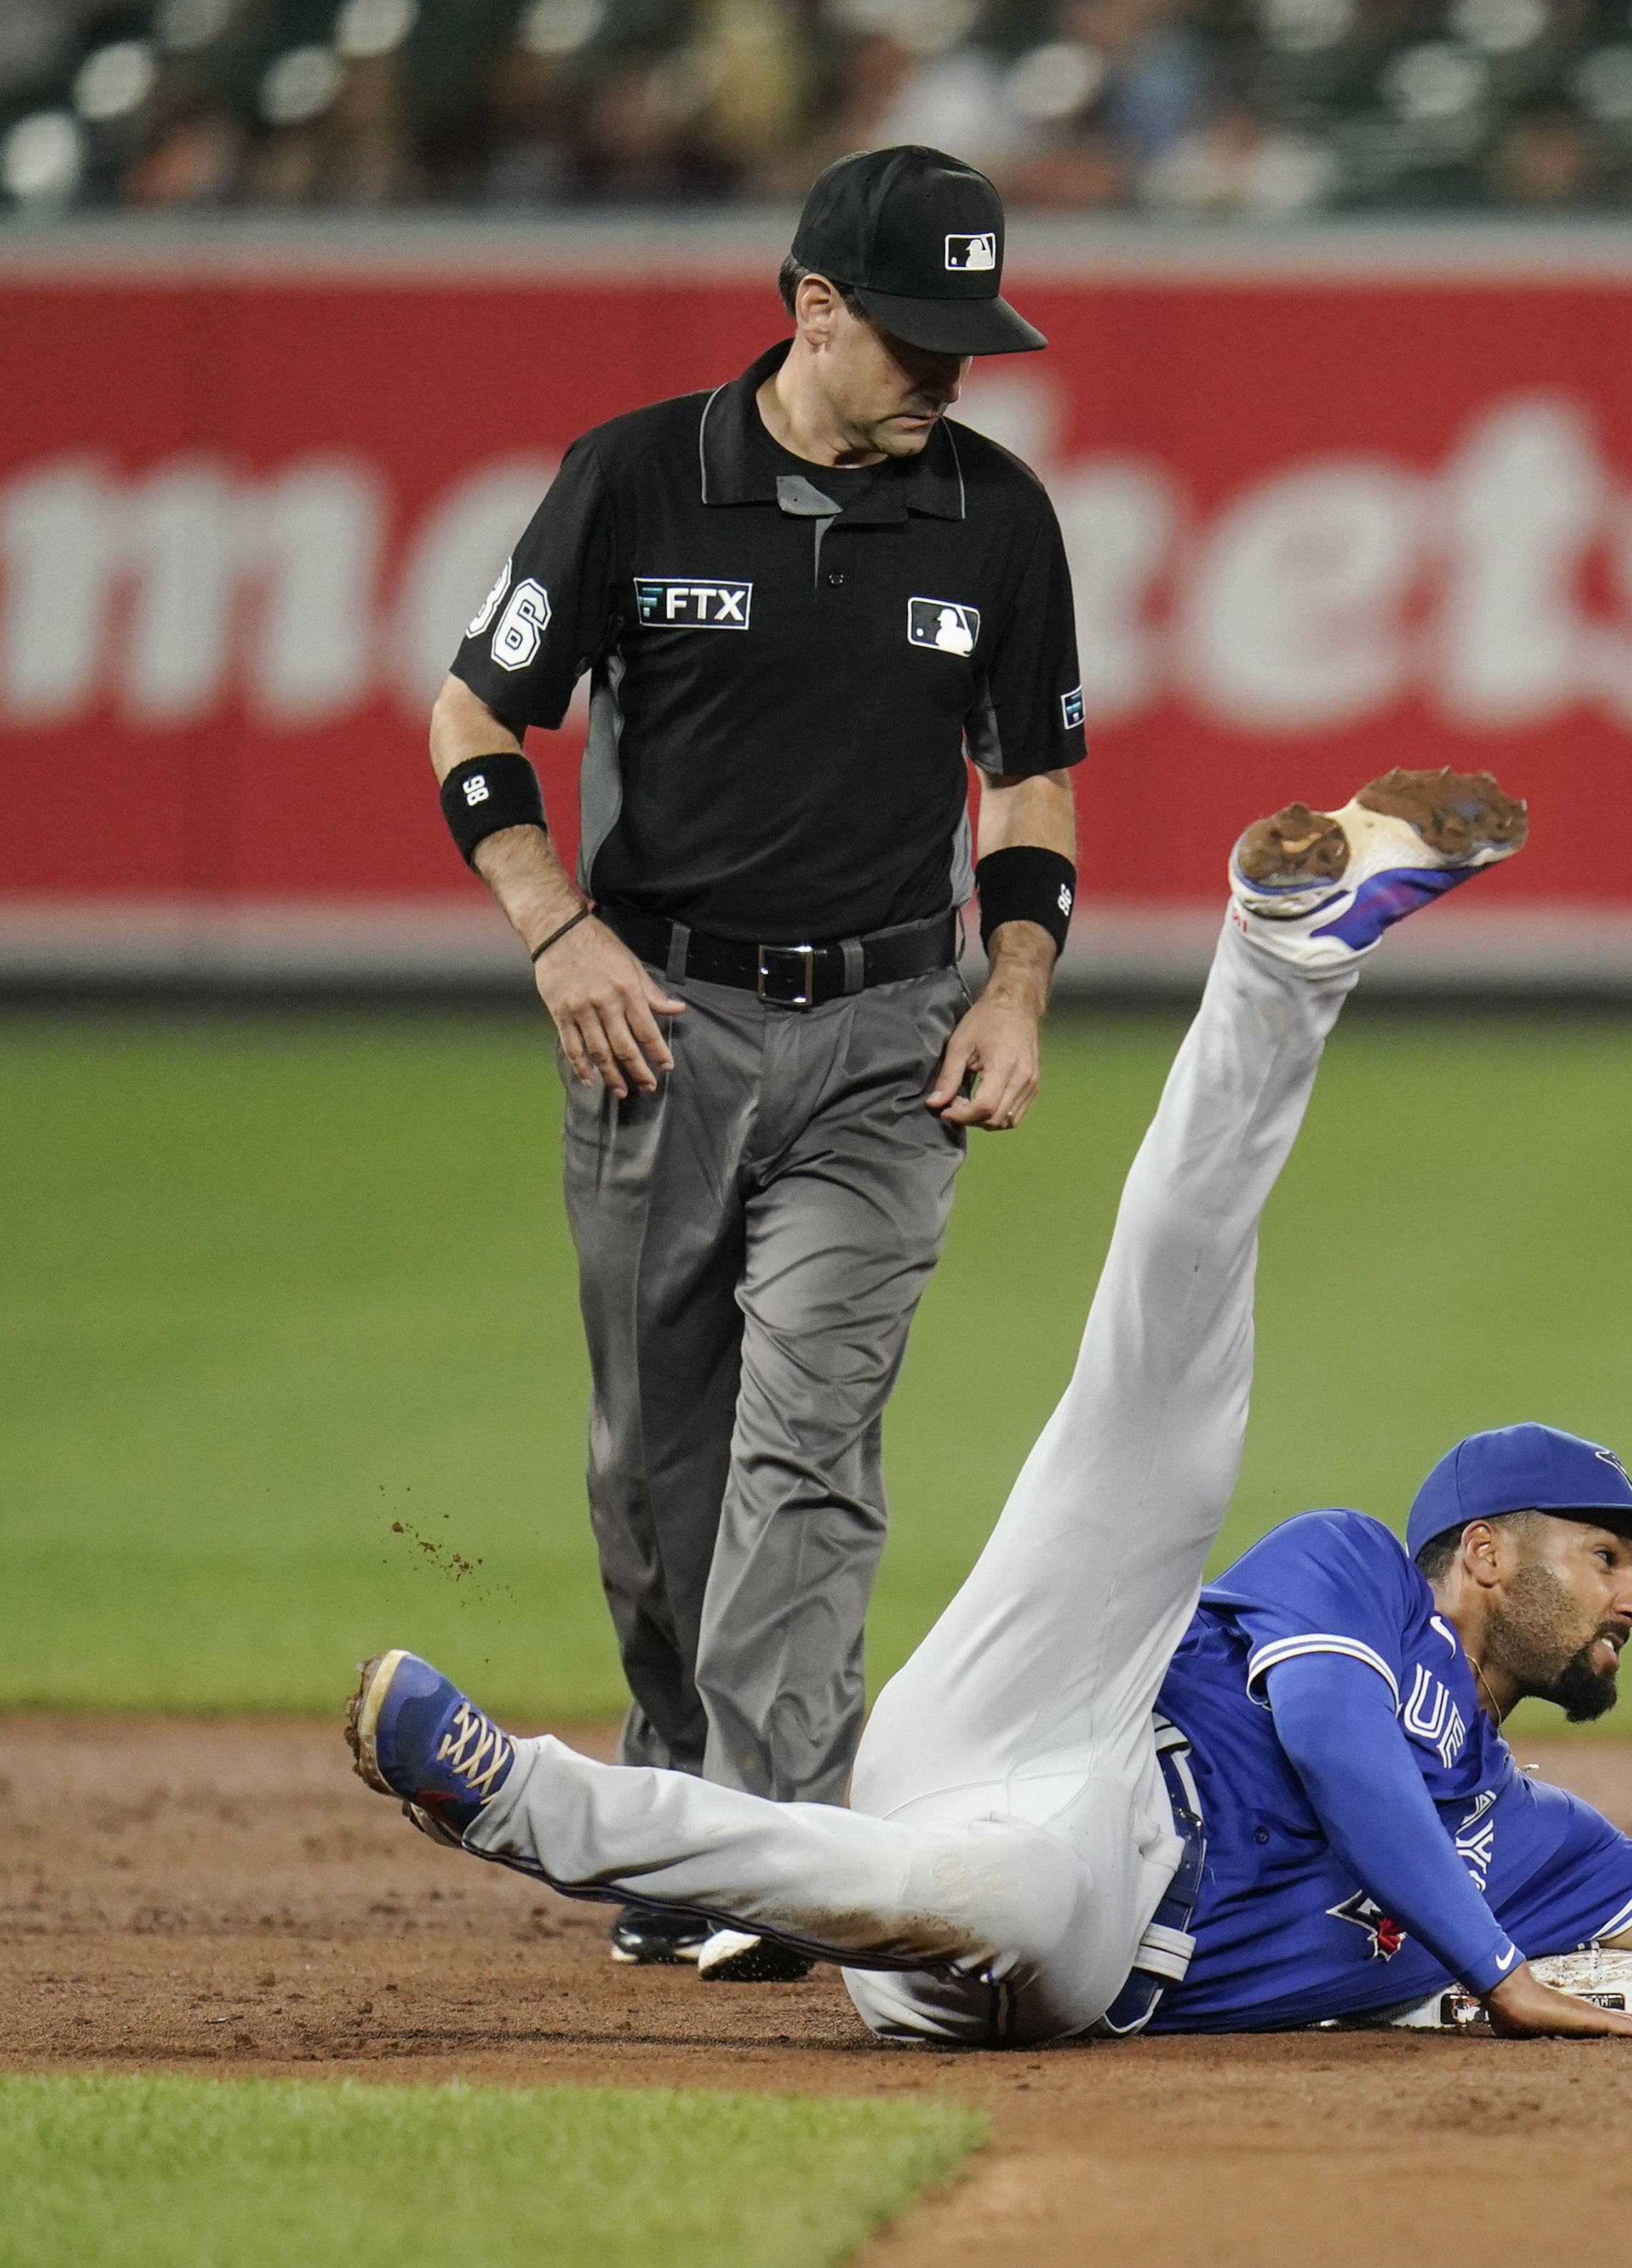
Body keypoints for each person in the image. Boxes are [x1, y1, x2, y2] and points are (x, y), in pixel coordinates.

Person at [347, 780, 1632, 2044]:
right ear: (1480, 1553)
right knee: (1167, 1386)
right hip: (1071, 1707)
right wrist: (1488, 1966)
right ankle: (1286, 959)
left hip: (1058, 1922)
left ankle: (523, 1799)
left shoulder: (1533, 1832)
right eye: (1607, 1558)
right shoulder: (1353, 1576)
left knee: (1002, 1893)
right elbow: (1353, 1762)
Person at [426, 145, 1087, 1974]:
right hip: (664, 1027)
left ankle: (771, 1848)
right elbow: (480, 713)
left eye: (973, 333)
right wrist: (558, 930)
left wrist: (1015, 982)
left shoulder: (996, 516)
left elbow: (1030, 777)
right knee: (662, 1468)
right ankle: (674, 1789)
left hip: (891, 1038)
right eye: (916, 332)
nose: (952, 369)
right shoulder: (637, 477)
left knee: (811, 1441)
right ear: (811, 309)